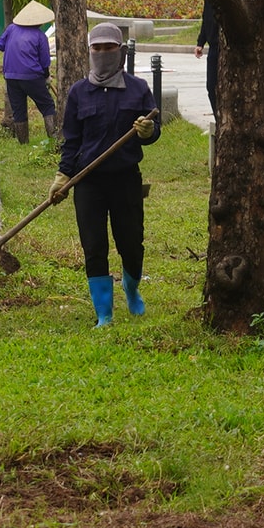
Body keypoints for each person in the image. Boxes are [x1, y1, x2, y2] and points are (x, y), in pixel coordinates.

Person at [51, 22, 160, 326]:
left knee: (131, 243)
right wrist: (63, 175)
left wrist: (148, 132)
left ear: (121, 51)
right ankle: (104, 314)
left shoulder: (138, 89)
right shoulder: (79, 92)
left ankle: (132, 288)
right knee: (94, 245)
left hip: (125, 179)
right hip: (88, 183)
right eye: (96, 48)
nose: (102, 53)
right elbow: (72, 140)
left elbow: (153, 132)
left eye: (108, 47)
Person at [0, 0, 57, 143]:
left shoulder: (11, 29)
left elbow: (0, 45)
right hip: (32, 76)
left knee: (19, 109)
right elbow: (44, 61)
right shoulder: (40, 36)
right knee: (47, 105)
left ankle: (23, 142)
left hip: (10, 76)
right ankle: (54, 138)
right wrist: (46, 77)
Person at [194, 0, 219, 115]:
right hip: (213, 48)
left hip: (226, 47)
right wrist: (200, 42)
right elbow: (206, 19)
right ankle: (219, 119)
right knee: (211, 86)